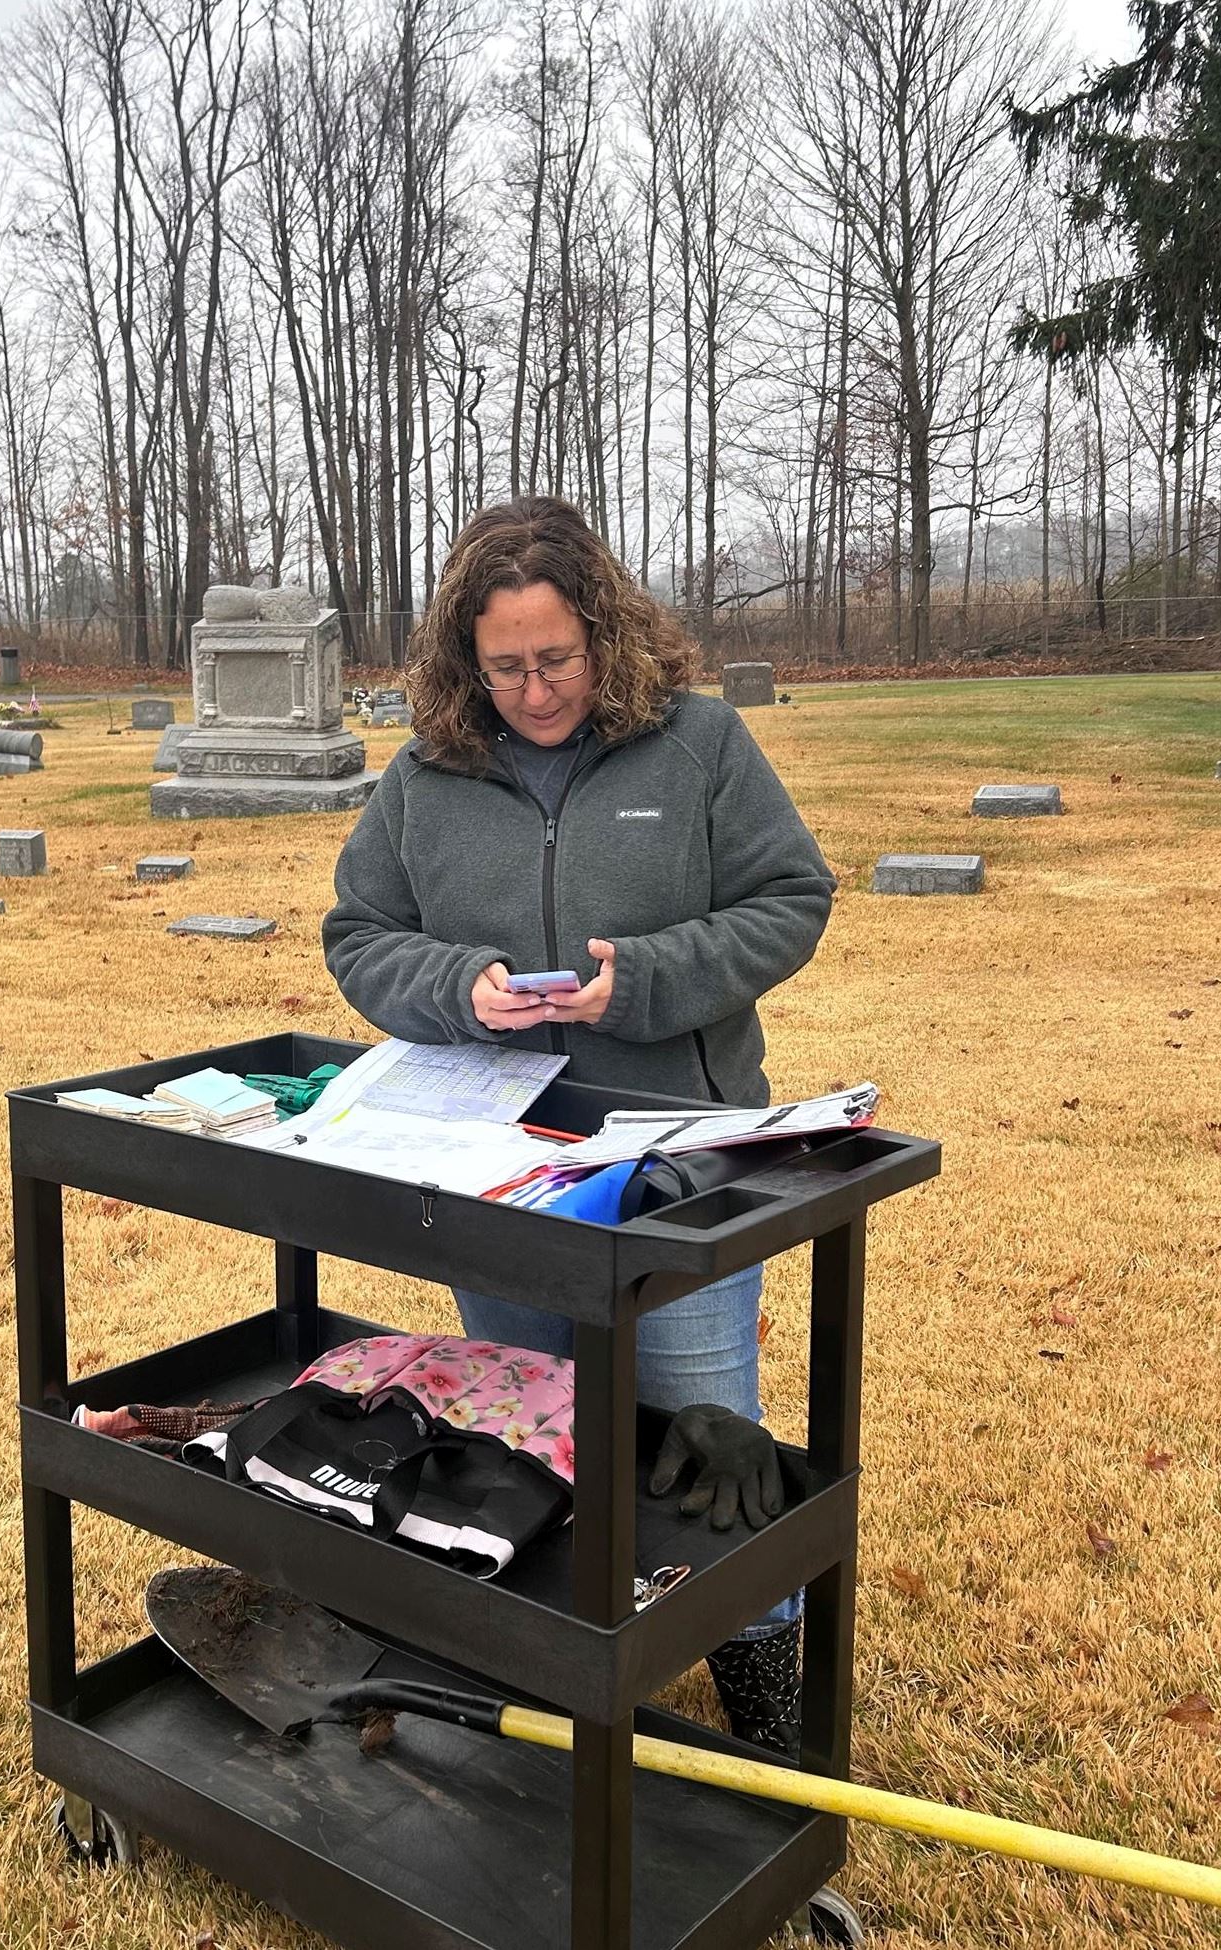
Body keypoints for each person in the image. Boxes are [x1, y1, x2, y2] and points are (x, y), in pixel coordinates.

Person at [322, 496, 836, 1757]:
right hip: (504, 1167)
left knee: (708, 1443)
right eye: (505, 668)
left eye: (556, 658)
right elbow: (361, 935)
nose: (536, 690)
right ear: (464, 660)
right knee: (530, 1428)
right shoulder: (426, 776)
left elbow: (791, 899)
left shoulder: (700, 745)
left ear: (605, 632)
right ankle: (560, 1669)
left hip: (685, 1160)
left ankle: (767, 1712)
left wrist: (645, 979)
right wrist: (460, 988)